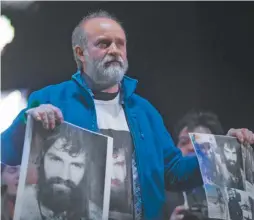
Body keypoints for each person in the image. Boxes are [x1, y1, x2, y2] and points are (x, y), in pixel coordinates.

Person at [1, 11, 254, 220]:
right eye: (103, 43)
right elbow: (5, 154)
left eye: (120, 44)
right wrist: (27, 124)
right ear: (80, 53)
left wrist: (224, 150)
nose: (114, 50)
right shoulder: (50, 99)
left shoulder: (145, 112)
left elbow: (175, 171)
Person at [165, 110, 252, 220]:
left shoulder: (231, 193)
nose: (192, 148)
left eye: (202, 143)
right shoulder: (159, 195)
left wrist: (235, 144)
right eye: (184, 142)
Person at [20, 123, 101, 220]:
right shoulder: (18, 201)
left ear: (85, 170)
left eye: (76, 165)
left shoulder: (96, 215)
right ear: (42, 157)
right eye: (56, 160)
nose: (64, 175)